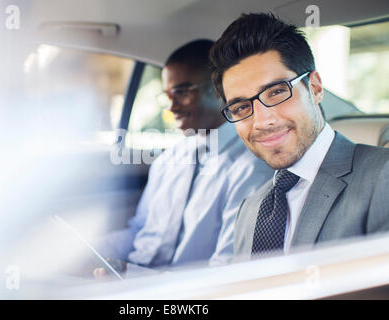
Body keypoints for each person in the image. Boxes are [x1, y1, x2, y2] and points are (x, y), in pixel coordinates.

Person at [209, 13, 389, 260]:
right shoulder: (249, 210)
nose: (262, 121)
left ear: (314, 88)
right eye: (241, 108)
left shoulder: (382, 176)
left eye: (276, 92)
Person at [92, 39, 273, 277]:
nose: (172, 107)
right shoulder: (169, 161)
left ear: (220, 90)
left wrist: (129, 276)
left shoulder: (252, 167)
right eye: (168, 95)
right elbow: (139, 230)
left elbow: (225, 271)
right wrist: (92, 252)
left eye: (182, 93)